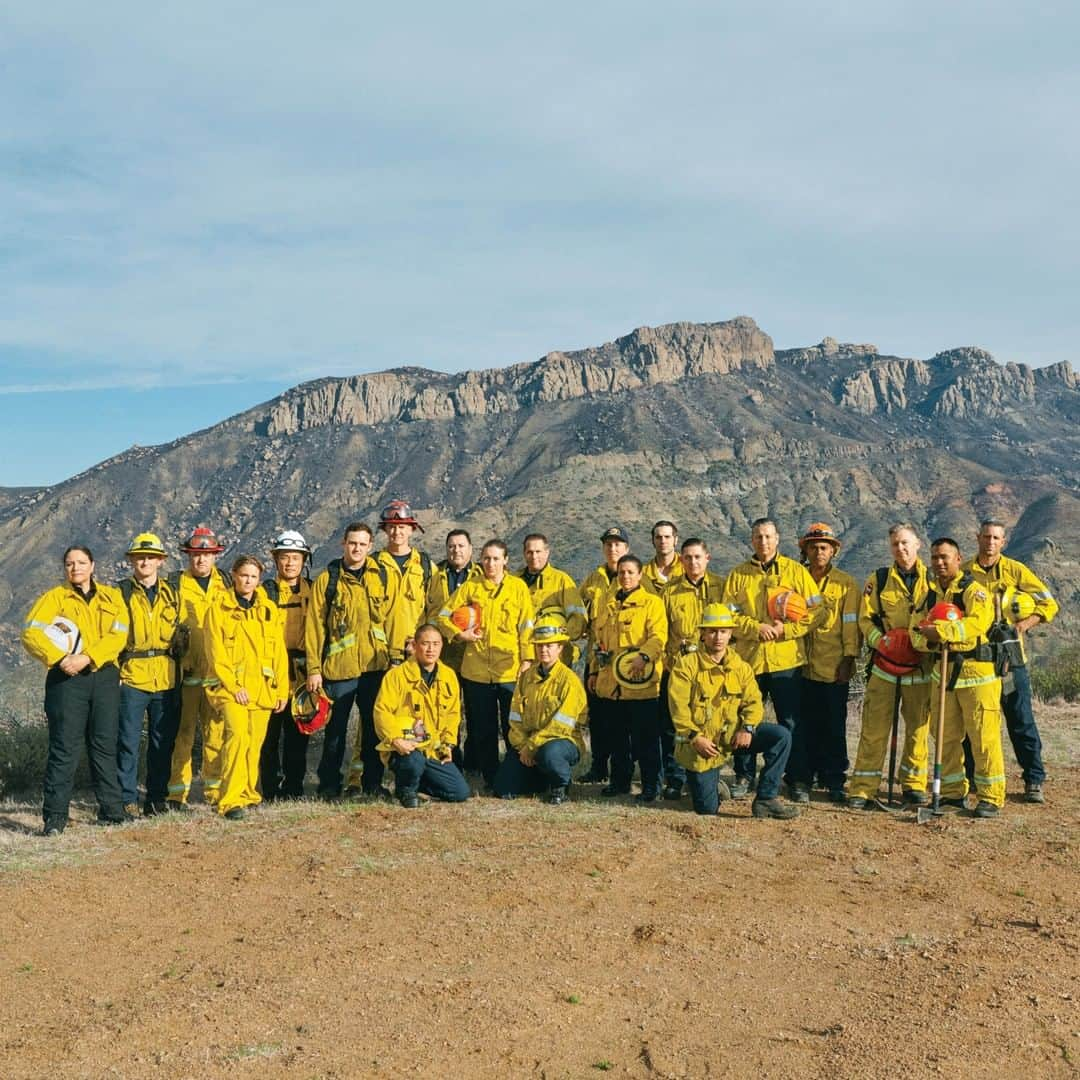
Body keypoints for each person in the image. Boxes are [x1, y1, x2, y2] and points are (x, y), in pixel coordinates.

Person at [23, 546, 130, 835]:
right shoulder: (54, 598)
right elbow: (31, 632)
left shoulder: (113, 597)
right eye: (70, 563)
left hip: (104, 677)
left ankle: (112, 812)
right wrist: (59, 659)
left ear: (93, 565)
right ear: (64, 568)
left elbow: (118, 634)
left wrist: (88, 657)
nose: (76, 568)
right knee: (64, 749)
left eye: (81, 562)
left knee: (104, 745)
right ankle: (55, 820)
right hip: (66, 681)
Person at [721, 518, 823, 800]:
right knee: (745, 720)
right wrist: (755, 628)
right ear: (751, 541)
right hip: (748, 661)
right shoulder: (737, 576)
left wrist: (786, 630)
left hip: (786, 662)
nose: (763, 542)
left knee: (791, 722)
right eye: (758, 537)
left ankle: (797, 779)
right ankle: (744, 776)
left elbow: (818, 610)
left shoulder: (795, 572)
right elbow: (728, 615)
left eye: (768, 536)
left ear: (777, 539)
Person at [668, 604, 798, 819]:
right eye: (712, 631)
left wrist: (747, 727)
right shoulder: (686, 666)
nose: (717, 637)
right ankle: (710, 785)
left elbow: (754, 702)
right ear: (702, 634)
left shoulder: (741, 667)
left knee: (781, 736)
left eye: (723, 631)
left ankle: (766, 798)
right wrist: (695, 737)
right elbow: (678, 710)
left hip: (732, 736)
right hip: (701, 744)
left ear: (730, 634)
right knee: (707, 809)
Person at [962, 519, 1059, 803]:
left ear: (1003, 542)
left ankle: (1033, 779)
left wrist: (1021, 626)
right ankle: (972, 779)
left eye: (996, 538)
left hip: (1011, 659)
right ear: (977, 537)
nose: (990, 542)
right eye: (986, 536)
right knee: (974, 723)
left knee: (1020, 720)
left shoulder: (1016, 571)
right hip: (976, 658)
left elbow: (1049, 603)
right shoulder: (966, 572)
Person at [909, 538, 1004, 818]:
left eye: (945, 557)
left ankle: (990, 797)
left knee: (983, 738)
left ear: (958, 558)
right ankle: (951, 794)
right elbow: (916, 632)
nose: (939, 563)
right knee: (945, 737)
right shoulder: (928, 596)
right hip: (943, 677)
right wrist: (928, 640)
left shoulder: (974, 591)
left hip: (977, 675)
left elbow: (978, 623)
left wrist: (943, 631)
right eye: (935, 557)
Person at [847, 524, 933, 810]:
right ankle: (863, 789)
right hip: (884, 667)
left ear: (918, 544)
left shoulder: (933, 580)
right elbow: (865, 619)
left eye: (906, 543)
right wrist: (881, 642)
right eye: (896, 544)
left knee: (918, 729)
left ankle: (913, 785)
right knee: (874, 728)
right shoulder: (879, 579)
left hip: (920, 668)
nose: (901, 549)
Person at [437, 539, 535, 789]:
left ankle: (515, 775)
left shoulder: (518, 588)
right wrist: (460, 635)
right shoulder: (471, 588)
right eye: (486, 558)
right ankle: (490, 777)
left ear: (506, 560)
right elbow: (443, 616)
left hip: (509, 670)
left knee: (512, 726)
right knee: (482, 729)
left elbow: (526, 626)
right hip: (476, 671)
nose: (490, 563)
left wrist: (527, 659)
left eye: (495, 558)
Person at [305, 522, 393, 799]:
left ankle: (372, 783)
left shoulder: (381, 576)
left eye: (362, 544)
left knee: (373, 729)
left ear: (370, 547)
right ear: (343, 544)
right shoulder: (328, 580)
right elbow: (315, 627)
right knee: (336, 732)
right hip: (339, 670)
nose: (357, 548)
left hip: (374, 667)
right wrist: (314, 669)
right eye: (352, 543)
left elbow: (388, 620)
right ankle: (329, 785)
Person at [206, 555, 289, 820]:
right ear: (234, 575)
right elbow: (216, 654)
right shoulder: (218, 608)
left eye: (253, 577)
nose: (248, 581)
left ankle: (248, 794)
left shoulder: (268, 610)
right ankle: (229, 800)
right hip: (232, 690)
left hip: (263, 689)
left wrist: (281, 690)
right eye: (244, 575)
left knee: (255, 743)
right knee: (237, 737)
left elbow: (279, 652)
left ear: (259, 579)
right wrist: (233, 686)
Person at [588, 553, 668, 802]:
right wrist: (593, 670)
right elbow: (598, 643)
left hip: (640, 685)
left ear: (640, 575)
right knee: (617, 739)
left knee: (646, 741)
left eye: (631, 572)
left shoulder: (652, 604)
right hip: (611, 686)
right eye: (621, 572)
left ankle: (651, 786)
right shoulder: (607, 605)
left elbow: (658, 638)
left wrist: (644, 656)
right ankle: (619, 782)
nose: (625, 576)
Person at [167, 526, 234, 810]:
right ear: (188, 556)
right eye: (195, 555)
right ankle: (176, 794)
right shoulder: (175, 585)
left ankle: (214, 791)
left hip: (217, 674)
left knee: (216, 733)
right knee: (182, 734)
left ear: (216, 556)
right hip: (187, 672)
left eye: (206, 555)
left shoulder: (228, 584)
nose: (201, 561)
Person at [116, 532, 182, 817]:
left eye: (150, 557)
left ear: (160, 561)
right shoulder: (120, 593)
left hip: (166, 677)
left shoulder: (173, 593)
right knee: (128, 742)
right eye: (140, 557)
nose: (145, 561)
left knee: (161, 743)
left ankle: (156, 799)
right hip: (131, 677)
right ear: (132, 561)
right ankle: (126, 799)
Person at [493, 613, 588, 804]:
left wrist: (532, 746)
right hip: (529, 743)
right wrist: (522, 747)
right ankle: (543, 779)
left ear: (560, 648)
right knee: (503, 789)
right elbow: (515, 718)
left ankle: (560, 785)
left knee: (550, 754)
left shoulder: (569, 681)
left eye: (549, 645)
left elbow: (561, 725)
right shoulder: (526, 677)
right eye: (539, 645)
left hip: (561, 741)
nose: (543, 650)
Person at [797, 523, 861, 804]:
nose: (818, 551)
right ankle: (802, 776)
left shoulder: (845, 583)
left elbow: (850, 624)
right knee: (804, 725)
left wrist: (848, 658)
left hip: (833, 665)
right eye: (813, 546)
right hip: (801, 666)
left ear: (833, 550)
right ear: (805, 550)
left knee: (834, 724)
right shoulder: (796, 579)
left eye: (824, 547)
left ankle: (834, 778)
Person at [373, 623, 471, 807]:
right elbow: (382, 711)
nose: (430, 649)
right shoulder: (397, 676)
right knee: (413, 761)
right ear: (415, 645)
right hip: (405, 747)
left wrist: (447, 745)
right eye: (425, 644)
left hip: (434, 749)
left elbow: (452, 714)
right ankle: (406, 790)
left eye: (435, 644)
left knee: (460, 792)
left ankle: (420, 785)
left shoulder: (449, 676)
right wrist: (395, 740)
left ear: (442, 646)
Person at [660, 538, 724, 800]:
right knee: (676, 726)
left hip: (712, 670)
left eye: (697, 557)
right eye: (687, 557)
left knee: (715, 722)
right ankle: (675, 779)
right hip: (679, 670)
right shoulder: (670, 591)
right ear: (681, 560)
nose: (692, 562)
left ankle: (714, 776)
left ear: (707, 558)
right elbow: (661, 631)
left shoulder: (722, 587)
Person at [257, 530, 314, 801]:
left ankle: (294, 787)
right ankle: (269, 787)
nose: (289, 563)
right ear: (275, 560)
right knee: (268, 737)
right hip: (270, 674)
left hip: (302, 673)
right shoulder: (264, 592)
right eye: (284, 557)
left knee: (297, 736)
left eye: (294, 557)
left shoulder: (314, 592)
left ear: (304, 560)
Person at [577, 526, 630, 784]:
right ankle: (599, 767)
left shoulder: (633, 577)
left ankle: (624, 770)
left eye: (618, 544)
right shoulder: (593, 579)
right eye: (608, 544)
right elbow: (579, 613)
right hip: (597, 659)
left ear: (626, 548)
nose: (613, 549)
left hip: (624, 662)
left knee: (622, 720)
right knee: (597, 717)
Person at [376, 499, 433, 664]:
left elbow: (435, 608)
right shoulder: (374, 564)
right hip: (381, 654)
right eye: (392, 527)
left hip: (417, 652)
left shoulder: (425, 565)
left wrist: (422, 640)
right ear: (385, 530)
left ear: (411, 530)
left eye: (401, 527)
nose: (396, 532)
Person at [517, 533, 587, 665]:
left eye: (538, 551)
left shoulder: (561, 581)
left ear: (547, 552)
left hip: (554, 659)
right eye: (530, 552)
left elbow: (578, 617)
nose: (534, 556)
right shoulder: (513, 581)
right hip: (519, 658)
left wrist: (558, 638)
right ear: (524, 553)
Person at [426, 529, 482, 676]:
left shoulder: (482, 576)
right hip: (442, 654)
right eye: (452, 546)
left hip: (475, 654)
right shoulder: (433, 576)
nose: (456, 550)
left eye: (461, 546)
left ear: (470, 549)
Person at [642, 520, 685, 595]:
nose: (663, 541)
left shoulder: (688, 568)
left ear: (675, 540)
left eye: (667, 537)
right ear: (653, 541)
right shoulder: (643, 574)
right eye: (658, 537)